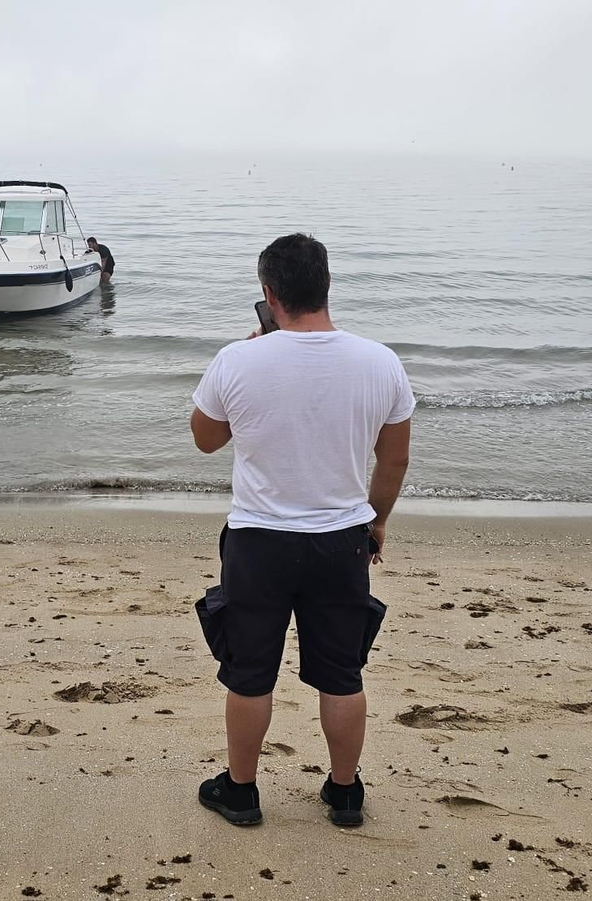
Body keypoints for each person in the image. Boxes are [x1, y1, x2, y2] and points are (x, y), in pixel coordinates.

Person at [188, 233, 413, 828]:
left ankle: (240, 792)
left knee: (250, 671)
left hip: (259, 540)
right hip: (342, 539)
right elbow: (393, 460)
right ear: (327, 286)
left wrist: (248, 360)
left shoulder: (239, 359)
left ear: (268, 293)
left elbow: (206, 439)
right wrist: (378, 519)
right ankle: (344, 793)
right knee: (342, 673)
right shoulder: (379, 361)